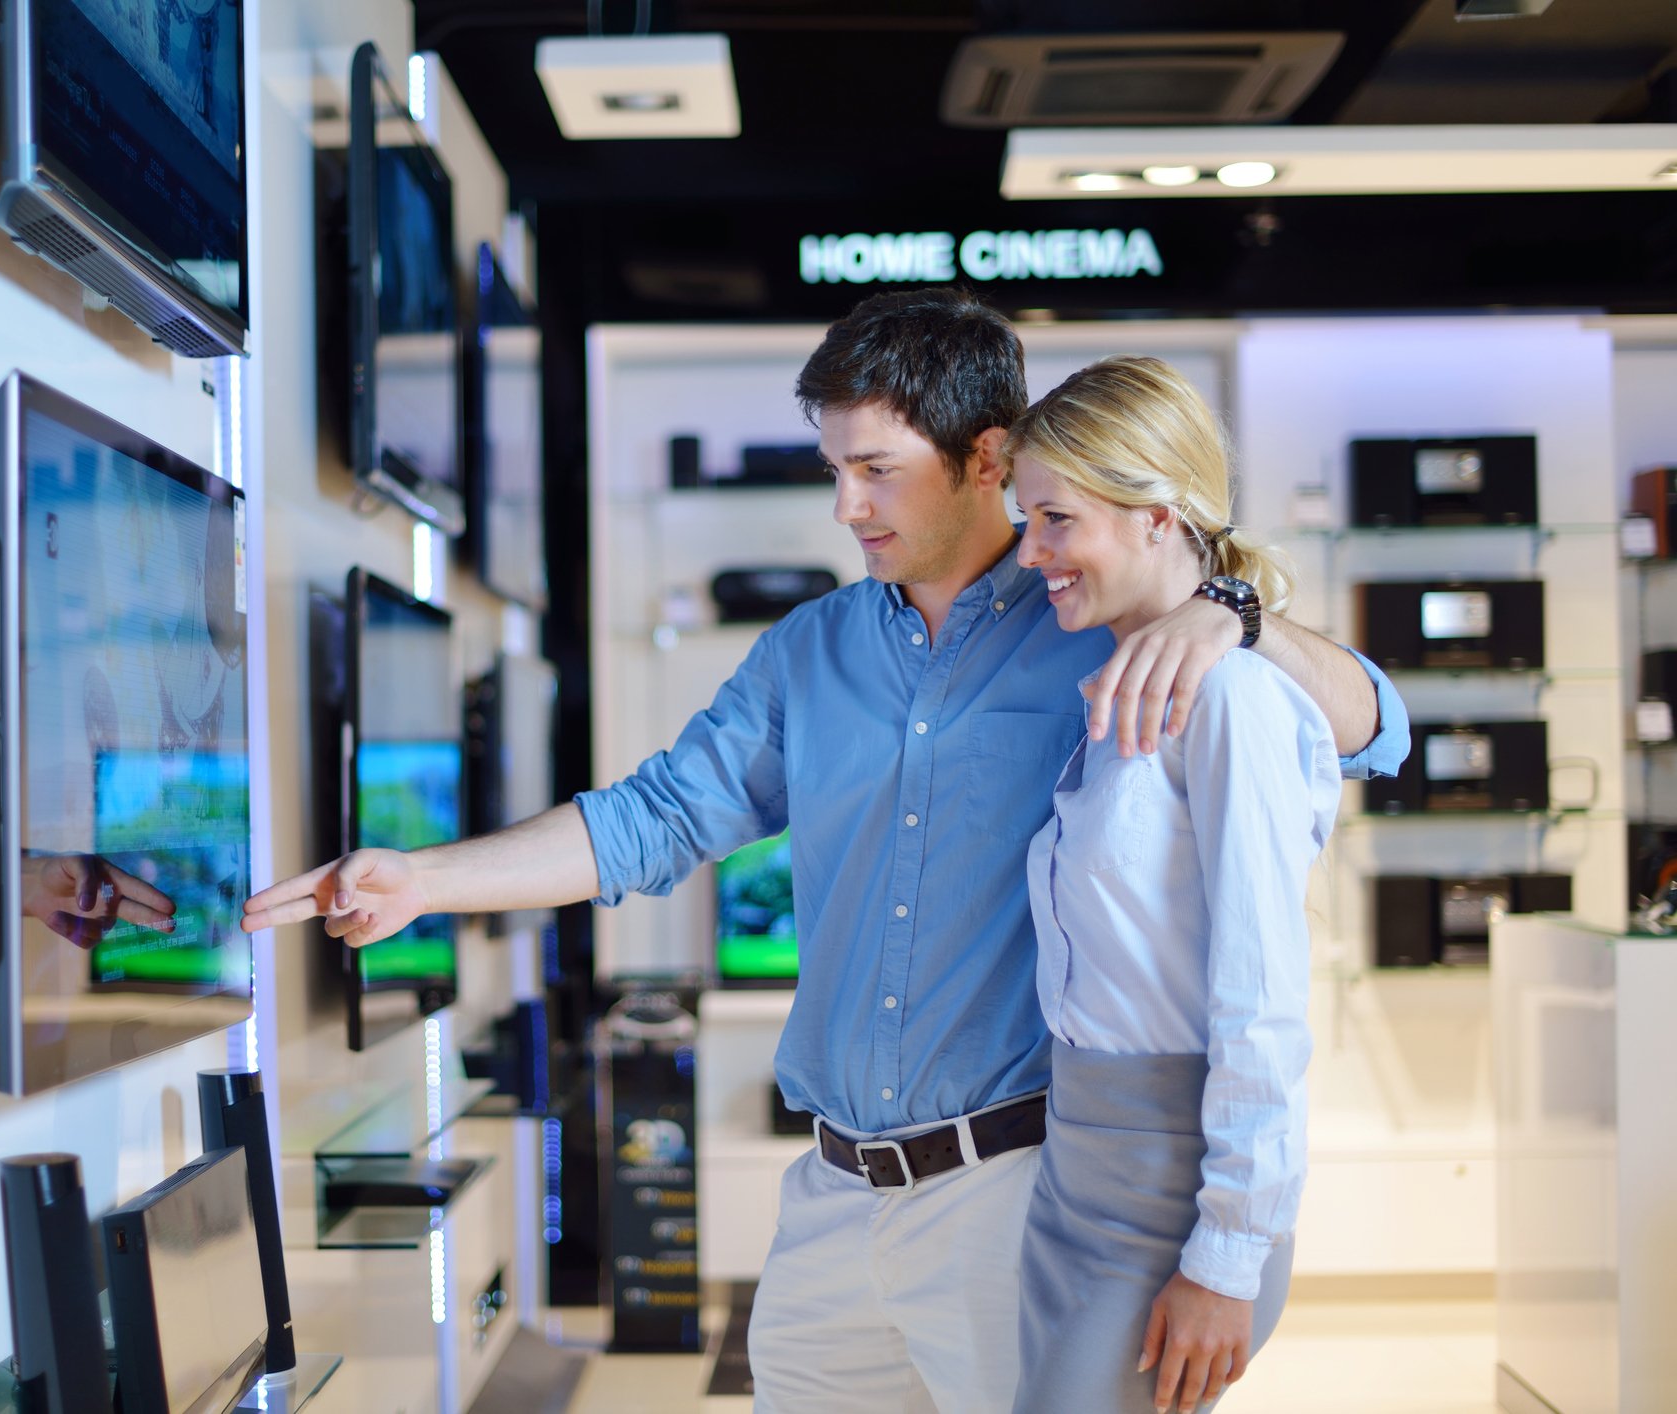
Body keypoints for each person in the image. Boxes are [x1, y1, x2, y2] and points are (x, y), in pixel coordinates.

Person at [244, 288, 1408, 1413]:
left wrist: (1232, 610)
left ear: (986, 458)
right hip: (829, 1202)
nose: (847, 507)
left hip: (1013, 1189)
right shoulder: (809, 651)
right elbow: (654, 818)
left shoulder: (1092, 619)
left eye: (876, 470)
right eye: (833, 472)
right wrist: (424, 879)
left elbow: (1372, 729)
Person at [1007, 357, 1333, 1414]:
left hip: (1172, 1189)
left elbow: (1264, 995)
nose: (1030, 552)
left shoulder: (1231, 694)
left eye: (1054, 518)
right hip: (1074, 1175)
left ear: (1154, 512)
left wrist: (1228, 1252)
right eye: (1025, 519)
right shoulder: (1118, 689)